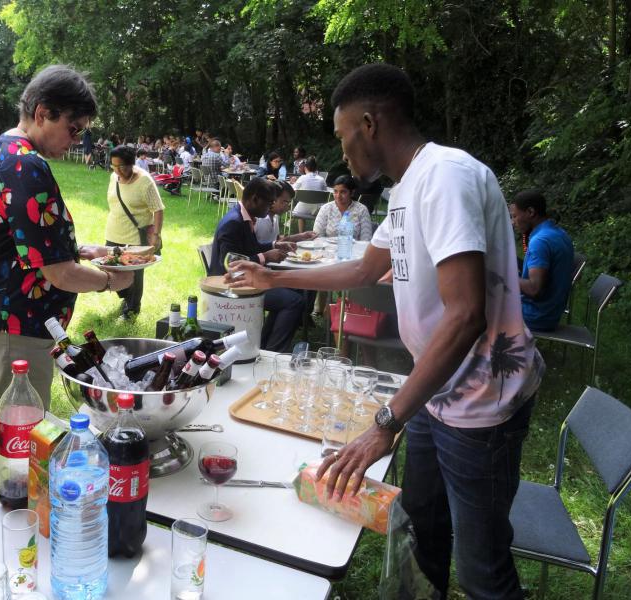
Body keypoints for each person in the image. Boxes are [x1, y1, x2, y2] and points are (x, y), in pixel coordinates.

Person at [229, 63, 543, 598]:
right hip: (433, 392)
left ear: (368, 124)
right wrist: (275, 274)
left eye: (342, 135)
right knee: (422, 521)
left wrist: (385, 421)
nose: (342, 152)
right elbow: (363, 270)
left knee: (482, 569)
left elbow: (466, 313)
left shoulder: (446, 176)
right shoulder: (405, 189)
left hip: (480, 404)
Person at [0, 65, 134, 435]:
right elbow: (58, 273)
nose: (77, 139)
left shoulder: (6, 150)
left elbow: (20, 240)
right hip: (10, 327)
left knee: (31, 437)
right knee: (23, 448)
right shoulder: (24, 164)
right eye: (73, 128)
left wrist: (84, 250)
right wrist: (113, 282)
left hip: (2, 321)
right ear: (42, 113)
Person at [211, 178, 304, 352]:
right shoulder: (233, 223)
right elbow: (229, 264)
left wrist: (274, 245)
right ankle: (273, 351)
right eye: (269, 202)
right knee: (294, 301)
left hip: (244, 280)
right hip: (232, 286)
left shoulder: (244, 216)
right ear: (254, 199)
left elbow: (248, 250)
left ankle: (265, 345)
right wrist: (264, 257)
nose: (270, 207)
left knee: (294, 292)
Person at [105, 145, 165, 318]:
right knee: (110, 269)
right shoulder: (113, 177)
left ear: (132, 164)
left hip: (135, 237)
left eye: (122, 166)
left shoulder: (145, 181)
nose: (117, 171)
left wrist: (156, 234)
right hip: (113, 232)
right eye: (113, 166)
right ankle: (125, 297)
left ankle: (132, 309)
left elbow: (158, 209)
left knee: (134, 275)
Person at [509, 190, 574, 331]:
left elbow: (534, 289)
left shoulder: (540, 241)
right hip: (550, 313)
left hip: (535, 316)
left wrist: (504, 276)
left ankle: (491, 351)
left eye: (515, 216)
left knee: (477, 303)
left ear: (530, 212)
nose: (513, 222)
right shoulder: (559, 233)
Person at [256, 181, 318, 245]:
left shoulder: (274, 217)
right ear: (273, 198)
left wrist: (301, 236)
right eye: (285, 201)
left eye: (289, 203)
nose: (287, 206)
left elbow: (276, 240)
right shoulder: (260, 220)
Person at [313, 175, 373, 241]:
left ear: (352, 193)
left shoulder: (361, 210)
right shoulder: (326, 209)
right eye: (335, 191)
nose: (338, 196)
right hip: (329, 249)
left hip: (354, 249)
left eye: (343, 192)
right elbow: (317, 236)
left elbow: (366, 239)